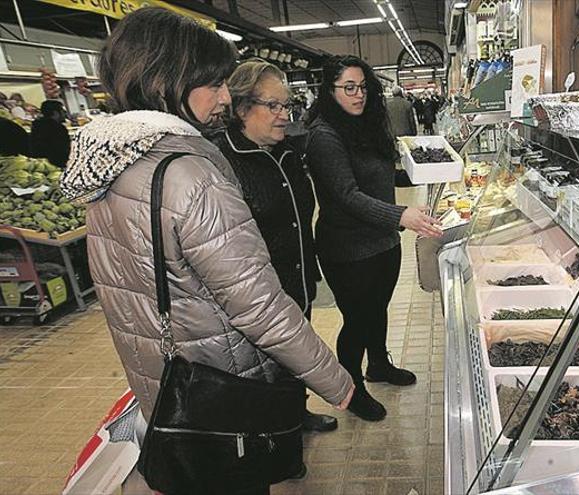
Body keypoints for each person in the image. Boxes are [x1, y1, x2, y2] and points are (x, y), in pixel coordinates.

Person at [59, 8, 353, 491]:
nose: (223, 98)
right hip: (220, 383)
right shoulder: (191, 176)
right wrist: (334, 380)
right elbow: (256, 303)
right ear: (169, 79)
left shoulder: (110, 166)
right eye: (214, 83)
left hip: (162, 380)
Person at [306, 55, 442, 422]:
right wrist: (402, 215)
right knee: (356, 321)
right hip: (348, 249)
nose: (358, 94)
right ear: (329, 90)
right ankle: (351, 389)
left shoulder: (365, 125)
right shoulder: (324, 136)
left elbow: (380, 178)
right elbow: (347, 195)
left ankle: (379, 365)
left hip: (383, 242)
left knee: (377, 310)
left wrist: (424, 172)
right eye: (348, 87)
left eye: (362, 86)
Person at [215, 59, 338, 434]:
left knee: (294, 357)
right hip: (258, 297)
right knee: (265, 370)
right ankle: (275, 439)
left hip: (296, 278)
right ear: (241, 108)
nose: (285, 115)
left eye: (287, 106)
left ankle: (295, 417)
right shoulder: (224, 162)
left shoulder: (285, 152)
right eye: (274, 106)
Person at [29, 100, 71, 167]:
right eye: (63, 111)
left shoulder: (36, 126)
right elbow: (63, 151)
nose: (65, 114)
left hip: (41, 165)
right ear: (56, 113)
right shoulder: (58, 129)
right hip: (57, 165)